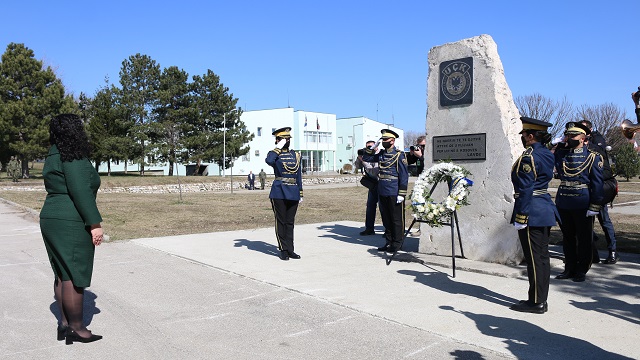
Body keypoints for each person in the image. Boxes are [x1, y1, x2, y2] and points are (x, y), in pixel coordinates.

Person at [39, 114, 103, 344]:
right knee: (75, 272)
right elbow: (80, 192)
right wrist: (94, 224)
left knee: (62, 272)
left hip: (51, 216)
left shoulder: (53, 153)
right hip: (70, 219)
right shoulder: (72, 156)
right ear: (76, 130)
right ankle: (77, 328)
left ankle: (64, 325)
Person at [509, 117, 559, 314]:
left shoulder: (528, 157)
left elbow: (526, 188)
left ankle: (537, 302)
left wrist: (521, 216)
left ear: (530, 136)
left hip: (532, 211)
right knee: (542, 258)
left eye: (523, 134)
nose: (522, 137)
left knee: (535, 259)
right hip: (544, 208)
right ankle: (538, 298)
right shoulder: (546, 154)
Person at [554, 122, 604, 283]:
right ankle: (569, 268)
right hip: (564, 201)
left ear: (583, 138)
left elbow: (597, 184)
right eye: (568, 135)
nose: (570, 137)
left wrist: (595, 205)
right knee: (568, 237)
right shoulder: (562, 154)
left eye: (573, 135)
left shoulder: (593, 156)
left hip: (582, 202)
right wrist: (561, 142)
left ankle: (582, 268)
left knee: (584, 238)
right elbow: (553, 154)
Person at [362, 129, 409, 253]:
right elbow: (367, 158)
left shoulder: (399, 155)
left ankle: (398, 243)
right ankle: (389, 242)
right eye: (382, 140)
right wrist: (372, 148)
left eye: (386, 140)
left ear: (392, 141)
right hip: (382, 189)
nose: (384, 142)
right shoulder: (381, 154)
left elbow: (404, 175)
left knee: (396, 219)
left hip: (394, 190)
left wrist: (402, 193)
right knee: (386, 218)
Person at [580, 120, 619, 264]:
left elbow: (603, 164)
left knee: (604, 220)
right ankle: (593, 252)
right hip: (586, 188)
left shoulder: (596, 143)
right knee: (584, 221)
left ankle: (613, 250)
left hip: (599, 188)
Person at [266, 127, 303, 261]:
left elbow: (298, 175)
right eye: (283, 139)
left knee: (290, 222)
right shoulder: (274, 154)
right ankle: (283, 249)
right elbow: (269, 161)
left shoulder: (296, 155)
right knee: (281, 221)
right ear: (278, 140)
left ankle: (290, 249)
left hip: (293, 191)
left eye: (288, 139)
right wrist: (278, 148)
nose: (287, 141)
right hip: (279, 191)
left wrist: (300, 193)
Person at [359, 141, 380, 236]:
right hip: (372, 186)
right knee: (370, 207)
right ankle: (369, 228)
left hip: (381, 184)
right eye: (367, 147)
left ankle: (388, 230)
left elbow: (375, 171)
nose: (369, 148)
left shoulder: (380, 155)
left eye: (371, 146)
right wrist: (359, 159)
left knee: (383, 208)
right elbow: (357, 166)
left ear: (376, 146)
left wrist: (364, 162)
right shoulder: (366, 156)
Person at [406, 135, 426, 235]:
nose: (420, 148)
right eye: (419, 146)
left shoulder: (429, 152)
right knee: (419, 204)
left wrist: (421, 157)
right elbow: (409, 162)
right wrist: (411, 154)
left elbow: (430, 164)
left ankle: (425, 229)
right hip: (420, 180)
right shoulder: (418, 153)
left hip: (429, 181)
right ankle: (420, 228)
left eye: (423, 146)